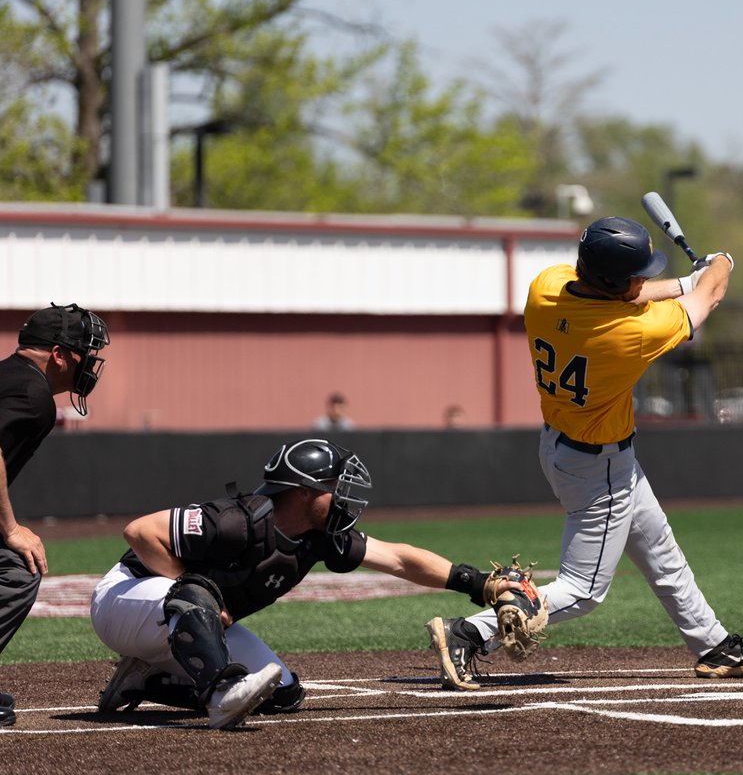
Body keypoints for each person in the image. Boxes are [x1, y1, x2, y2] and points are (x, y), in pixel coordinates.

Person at [426, 216, 743, 690]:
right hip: (599, 465)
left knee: (661, 552)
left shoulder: (545, 287)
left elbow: (628, 293)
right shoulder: (629, 334)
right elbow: (709, 297)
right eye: (637, 274)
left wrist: (681, 281)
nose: (641, 281)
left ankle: (713, 645)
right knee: (584, 590)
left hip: (562, 445)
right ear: (614, 281)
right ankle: (471, 632)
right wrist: (720, 263)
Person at [91, 438, 518, 729]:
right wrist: (188, 586)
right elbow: (140, 531)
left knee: (282, 695)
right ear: (303, 492)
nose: (344, 495)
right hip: (123, 601)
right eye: (334, 486)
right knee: (196, 590)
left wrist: (479, 584)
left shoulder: (318, 538)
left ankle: (145, 681)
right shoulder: (237, 521)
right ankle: (220, 697)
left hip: (178, 622)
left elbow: (399, 558)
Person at [0, 302, 109, 727]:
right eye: (84, 353)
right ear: (59, 355)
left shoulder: (9, 376)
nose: (91, 365)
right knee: (17, 568)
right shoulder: (33, 392)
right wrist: (10, 529)